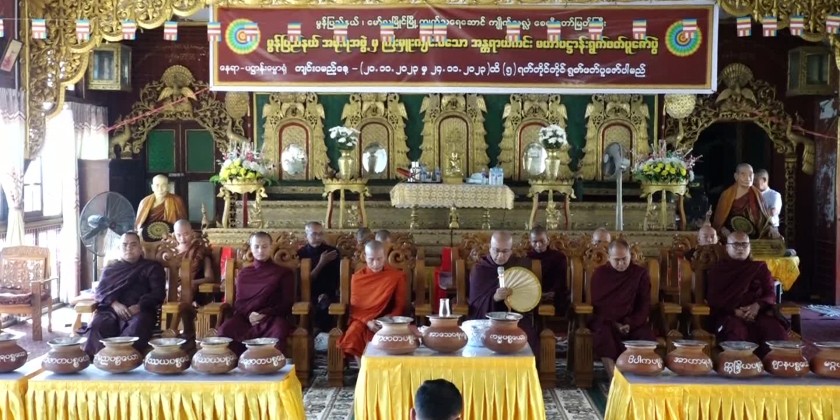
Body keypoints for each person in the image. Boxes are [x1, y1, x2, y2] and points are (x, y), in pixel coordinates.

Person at [706, 231, 788, 357]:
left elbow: (770, 293)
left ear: (750, 247)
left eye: (744, 245)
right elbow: (714, 299)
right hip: (729, 315)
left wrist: (757, 306)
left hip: (758, 313)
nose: (740, 248)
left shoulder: (759, 267)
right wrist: (735, 311)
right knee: (736, 330)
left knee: (774, 329)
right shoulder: (718, 270)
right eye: (736, 245)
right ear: (727, 248)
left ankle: (774, 363)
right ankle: (741, 364)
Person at [84, 232, 165, 358]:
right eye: (124, 245)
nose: (129, 248)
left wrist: (139, 306)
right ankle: (98, 360)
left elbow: (158, 293)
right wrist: (114, 304)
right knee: (97, 326)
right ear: (119, 248)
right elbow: (100, 292)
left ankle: (123, 359)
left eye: (133, 245)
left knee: (137, 327)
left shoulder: (152, 267)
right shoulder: (111, 269)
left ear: (140, 248)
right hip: (110, 310)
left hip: (140, 311)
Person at [217, 232, 295, 355]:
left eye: (264, 246)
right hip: (246, 318)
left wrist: (264, 314)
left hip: (271, 318)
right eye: (256, 246)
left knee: (279, 330)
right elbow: (239, 303)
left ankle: (270, 364)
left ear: (270, 247)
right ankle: (236, 364)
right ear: (251, 248)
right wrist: (249, 315)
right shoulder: (244, 273)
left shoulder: (283, 273)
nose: (260, 250)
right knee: (225, 330)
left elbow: (287, 302)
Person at [589, 239, 655, 376]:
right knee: (603, 335)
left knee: (645, 336)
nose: (621, 263)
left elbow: (644, 305)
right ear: (609, 258)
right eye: (617, 260)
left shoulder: (639, 274)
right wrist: (615, 324)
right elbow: (599, 304)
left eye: (624, 259)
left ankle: (640, 376)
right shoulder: (600, 274)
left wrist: (630, 323)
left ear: (630, 255)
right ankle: (614, 377)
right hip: (607, 321)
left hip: (633, 322)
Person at [467, 231, 538, 355]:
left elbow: (529, 294)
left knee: (528, 336)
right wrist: (495, 297)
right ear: (490, 249)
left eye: (505, 251)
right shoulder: (480, 269)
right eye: (496, 250)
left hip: (515, 318)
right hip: (487, 320)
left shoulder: (519, 266)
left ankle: (525, 368)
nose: (500, 256)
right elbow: (475, 304)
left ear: (511, 251)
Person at [337, 240, 407, 363]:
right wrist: (368, 322)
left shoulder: (396, 276)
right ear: (365, 257)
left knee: (390, 336)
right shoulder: (358, 277)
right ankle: (363, 370)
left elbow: (399, 306)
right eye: (371, 259)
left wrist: (387, 320)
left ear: (385, 256)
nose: (376, 264)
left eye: (379, 259)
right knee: (354, 334)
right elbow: (356, 309)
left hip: (388, 319)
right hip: (363, 319)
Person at [712, 163, 778, 239]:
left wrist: (770, 228)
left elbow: (764, 218)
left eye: (750, 175)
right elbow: (719, 220)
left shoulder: (757, 194)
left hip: (755, 235)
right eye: (743, 175)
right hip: (732, 236)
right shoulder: (727, 195)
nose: (748, 178)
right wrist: (723, 229)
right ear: (736, 176)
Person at [297, 221, 340, 333]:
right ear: (306, 235)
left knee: (326, 302)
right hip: (308, 292)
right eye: (314, 234)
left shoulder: (332, 252)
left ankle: (323, 335)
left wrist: (329, 293)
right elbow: (305, 282)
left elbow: (337, 279)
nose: (318, 237)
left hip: (329, 292)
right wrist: (321, 263)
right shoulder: (300, 254)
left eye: (321, 234)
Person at [527, 226, 569, 314]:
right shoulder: (526, 257)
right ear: (530, 242)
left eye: (542, 241)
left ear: (548, 240)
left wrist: (551, 293)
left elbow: (561, 280)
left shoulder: (559, 257)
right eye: (535, 242)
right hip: (531, 294)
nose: (538, 245)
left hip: (553, 294)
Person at [173, 219, 216, 304]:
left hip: (194, 291)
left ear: (192, 232)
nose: (182, 239)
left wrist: (191, 282)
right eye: (179, 235)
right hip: (173, 288)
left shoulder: (200, 251)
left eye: (186, 234)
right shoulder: (170, 253)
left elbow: (210, 278)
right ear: (174, 235)